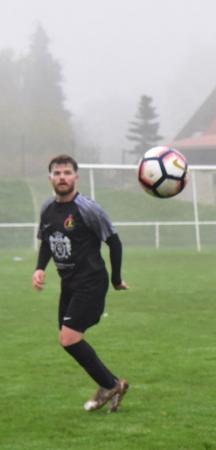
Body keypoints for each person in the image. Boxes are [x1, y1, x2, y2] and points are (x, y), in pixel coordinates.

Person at [32, 154, 129, 412]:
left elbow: (114, 241)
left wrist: (116, 279)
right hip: (69, 285)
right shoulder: (48, 209)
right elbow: (47, 241)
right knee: (69, 342)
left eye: (66, 172)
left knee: (69, 339)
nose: (62, 177)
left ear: (76, 177)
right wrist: (39, 269)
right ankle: (112, 383)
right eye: (57, 173)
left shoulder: (87, 208)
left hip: (91, 282)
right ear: (50, 177)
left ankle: (110, 385)